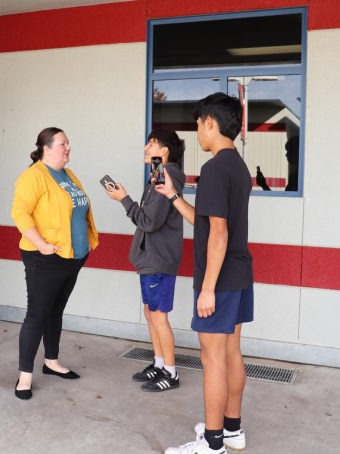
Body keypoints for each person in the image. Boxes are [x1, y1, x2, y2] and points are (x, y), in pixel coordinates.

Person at [156, 93, 254, 453]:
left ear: (210, 122)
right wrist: (172, 196)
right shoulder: (236, 166)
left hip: (220, 278)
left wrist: (207, 288)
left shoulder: (214, 169)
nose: (196, 131)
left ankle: (212, 445)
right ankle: (231, 430)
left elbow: (218, 233)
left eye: (198, 123)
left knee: (211, 358)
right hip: (239, 272)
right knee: (230, 353)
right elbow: (207, 221)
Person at [10, 127, 99, 400]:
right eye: (63, 144)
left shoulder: (68, 175)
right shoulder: (33, 176)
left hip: (72, 258)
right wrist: (41, 244)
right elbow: (20, 213)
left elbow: (80, 211)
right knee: (37, 314)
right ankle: (25, 375)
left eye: (68, 143)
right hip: (45, 258)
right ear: (47, 149)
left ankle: (51, 361)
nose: (68, 147)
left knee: (55, 311)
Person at [104, 129, 186, 392]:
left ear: (164, 152)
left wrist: (124, 200)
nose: (145, 147)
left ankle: (171, 373)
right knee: (150, 312)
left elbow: (149, 221)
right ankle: (160, 363)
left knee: (158, 315)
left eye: (151, 144)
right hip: (150, 258)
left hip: (159, 259)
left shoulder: (167, 175)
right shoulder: (157, 174)